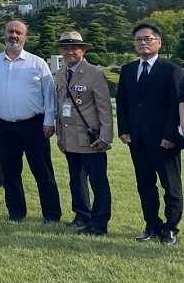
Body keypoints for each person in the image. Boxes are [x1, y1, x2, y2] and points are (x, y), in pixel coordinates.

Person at [0, 20, 61, 223]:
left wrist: (50, 120)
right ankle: (16, 212)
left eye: (18, 32)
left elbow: (49, 94)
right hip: (5, 125)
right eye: (10, 31)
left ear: (25, 37)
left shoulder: (37, 63)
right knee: (10, 173)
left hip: (34, 125)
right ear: (4, 34)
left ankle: (51, 215)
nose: (14, 36)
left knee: (43, 172)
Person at [119, 23, 182, 245]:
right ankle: (152, 225)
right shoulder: (128, 70)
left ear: (158, 42)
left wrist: (171, 135)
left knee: (171, 186)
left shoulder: (172, 70)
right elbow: (123, 102)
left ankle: (171, 228)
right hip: (137, 139)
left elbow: (177, 106)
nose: (143, 43)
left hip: (165, 140)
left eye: (147, 39)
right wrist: (124, 130)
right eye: (138, 39)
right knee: (145, 184)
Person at [53, 31, 114, 236]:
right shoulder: (61, 73)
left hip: (91, 138)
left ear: (83, 50)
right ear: (60, 50)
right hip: (69, 138)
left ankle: (99, 222)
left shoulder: (94, 73)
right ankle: (81, 214)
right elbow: (60, 108)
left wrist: (105, 137)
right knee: (76, 179)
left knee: (97, 182)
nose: (69, 51)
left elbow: (104, 108)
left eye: (74, 47)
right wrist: (60, 135)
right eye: (65, 47)